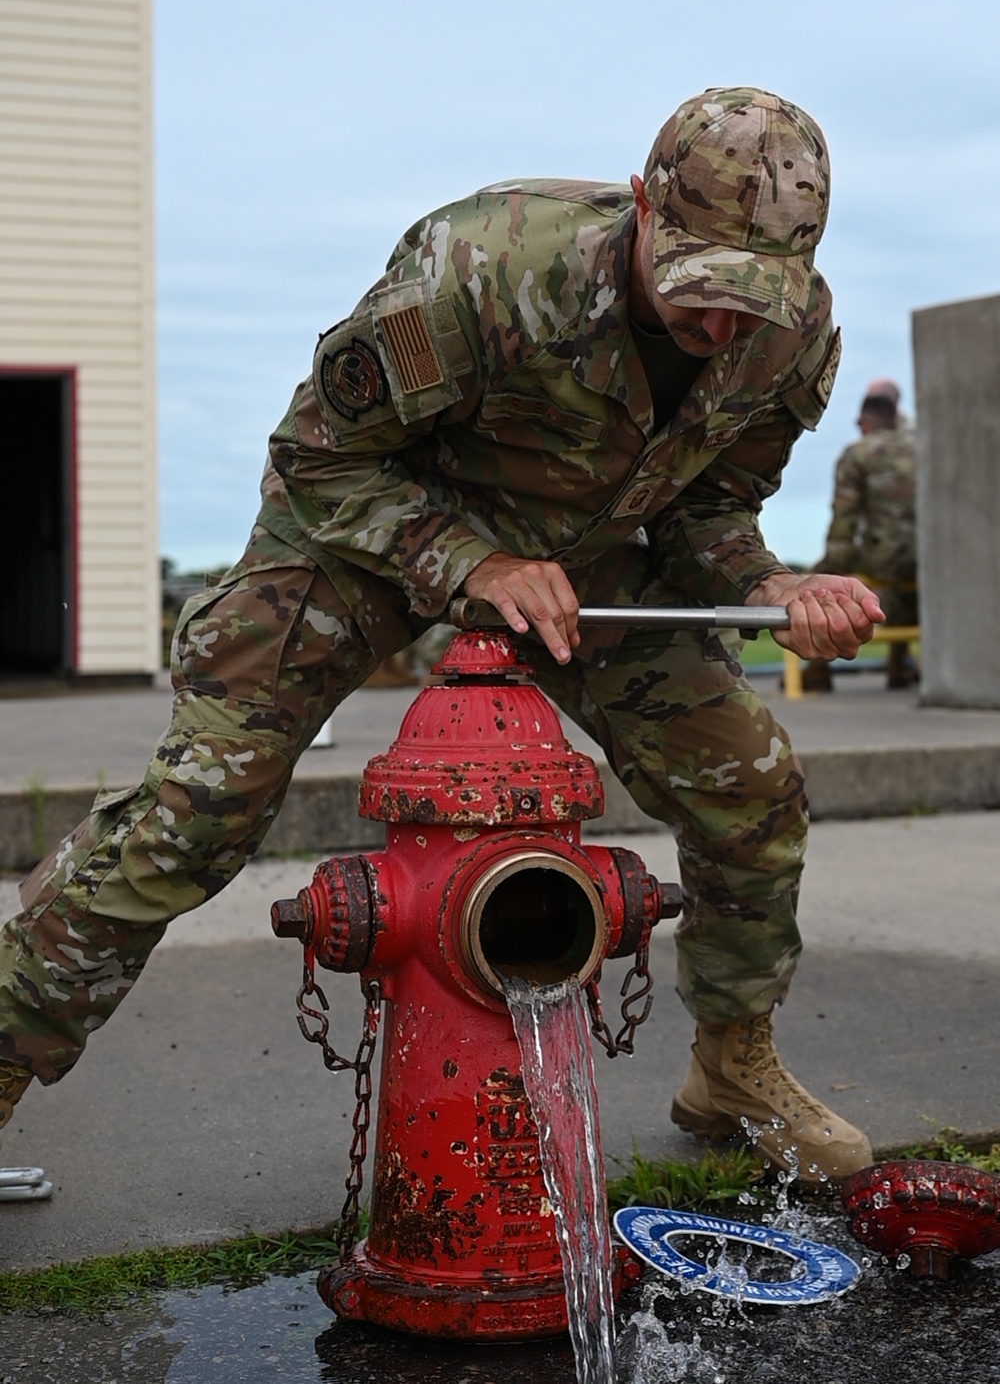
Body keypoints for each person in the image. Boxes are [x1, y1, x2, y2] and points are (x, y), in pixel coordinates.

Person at [0, 87, 884, 1187]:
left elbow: (706, 508)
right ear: (645, 210)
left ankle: (731, 1063)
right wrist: (468, 562)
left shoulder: (788, 335)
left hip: (579, 550)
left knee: (749, 783)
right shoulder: (488, 266)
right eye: (700, 291)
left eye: (749, 305)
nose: (720, 329)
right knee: (198, 810)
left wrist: (774, 581)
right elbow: (322, 456)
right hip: (368, 523)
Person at [802, 381, 918, 691]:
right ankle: (898, 668)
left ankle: (816, 671)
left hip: (882, 564)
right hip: (928, 567)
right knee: (900, 566)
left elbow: (844, 527)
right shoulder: (924, 447)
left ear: (865, 423)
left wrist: (821, 571)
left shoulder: (857, 454)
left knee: (815, 581)